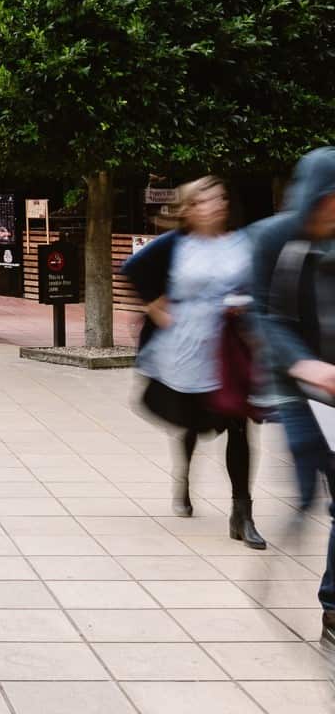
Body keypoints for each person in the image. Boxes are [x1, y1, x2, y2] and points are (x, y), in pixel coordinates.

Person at [121, 176, 266, 549]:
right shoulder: (176, 244)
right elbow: (133, 268)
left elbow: (257, 284)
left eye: (220, 198)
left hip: (227, 348)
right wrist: (155, 307)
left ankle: (242, 513)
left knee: (238, 423)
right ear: (188, 209)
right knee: (192, 422)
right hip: (184, 348)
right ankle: (183, 477)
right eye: (205, 200)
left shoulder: (239, 243)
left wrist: (247, 309)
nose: (216, 205)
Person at [249, 147, 335, 651]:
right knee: (307, 486)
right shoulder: (274, 238)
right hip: (295, 386)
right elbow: (262, 314)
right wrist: (305, 364)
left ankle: (332, 607)